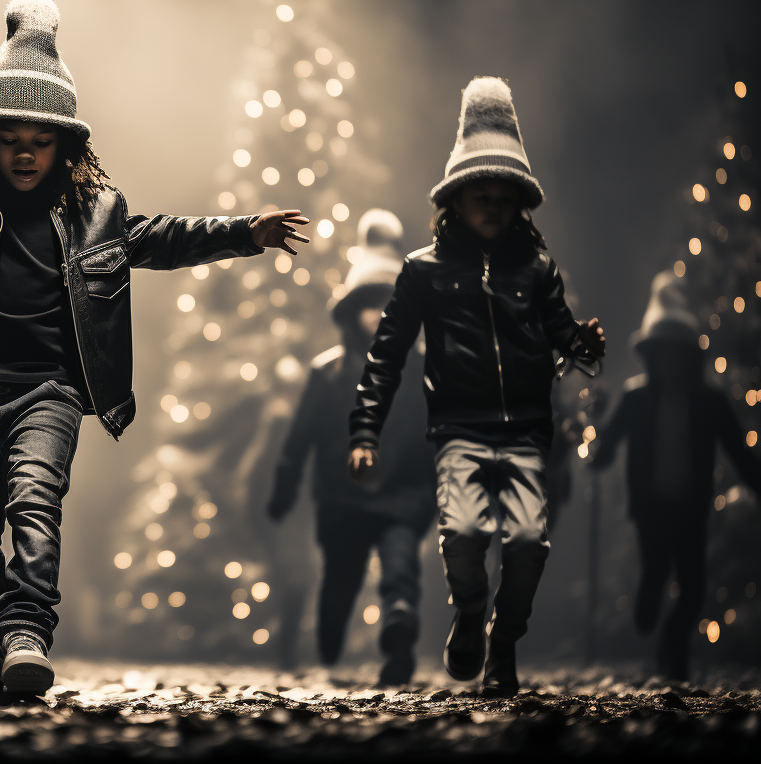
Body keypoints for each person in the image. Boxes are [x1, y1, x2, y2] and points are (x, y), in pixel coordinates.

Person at [0, 0, 310, 699]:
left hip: (50, 393)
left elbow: (168, 237)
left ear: (66, 147)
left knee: (35, 499)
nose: (26, 152)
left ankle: (29, 630)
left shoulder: (99, 215)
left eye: (41, 141)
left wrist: (245, 232)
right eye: (11, 139)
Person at [346, 77, 606, 697]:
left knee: (526, 542)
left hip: (525, 431)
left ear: (520, 202)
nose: (490, 206)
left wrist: (580, 345)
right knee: (462, 532)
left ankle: (504, 642)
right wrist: (365, 431)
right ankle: (468, 613)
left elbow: (560, 332)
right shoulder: (423, 273)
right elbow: (385, 356)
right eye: (479, 194)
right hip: (458, 430)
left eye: (502, 196)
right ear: (456, 200)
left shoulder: (538, 271)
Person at [268, 210, 435, 686]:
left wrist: (443, 484)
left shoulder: (422, 372)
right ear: (351, 312)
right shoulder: (327, 373)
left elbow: (436, 433)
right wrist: (285, 485)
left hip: (404, 493)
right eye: (372, 305)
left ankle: (399, 625)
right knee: (341, 575)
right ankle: (332, 626)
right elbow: (299, 438)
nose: (381, 316)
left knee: (401, 565)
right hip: (341, 499)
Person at [590, 271, 761, 682]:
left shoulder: (710, 403)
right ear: (650, 356)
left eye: (676, 355)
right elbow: (609, 441)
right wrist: (599, 453)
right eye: (662, 354)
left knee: (694, 586)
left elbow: (739, 451)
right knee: (655, 571)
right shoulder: (636, 399)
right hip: (651, 508)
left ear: (689, 358)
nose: (669, 363)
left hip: (691, 506)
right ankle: (655, 617)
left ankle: (674, 644)